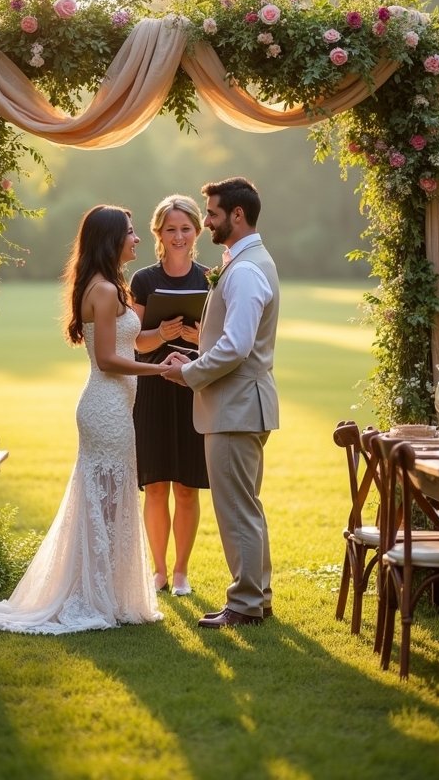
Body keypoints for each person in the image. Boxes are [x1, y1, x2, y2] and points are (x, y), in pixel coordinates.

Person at [0, 205, 171, 634]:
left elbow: (128, 343)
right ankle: (93, 596)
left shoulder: (109, 287)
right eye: (130, 232)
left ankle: (105, 592)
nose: (137, 238)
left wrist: (161, 339)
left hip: (115, 406)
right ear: (111, 239)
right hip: (105, 408)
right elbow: (107, 359)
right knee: (105, 504)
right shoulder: (103, 290)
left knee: (110, 503)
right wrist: (159, 370)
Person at [164, 177, 279, 628]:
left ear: (237, 215)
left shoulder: (246, 270)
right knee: (246, 506)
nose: (207, 221)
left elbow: (236, 346)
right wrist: (193, 358)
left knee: (236, 510)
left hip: (235, 407)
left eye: (212, 214)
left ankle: (246, 603)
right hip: (241, 404)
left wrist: (189, 373)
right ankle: (258, 597)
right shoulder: (247, 262)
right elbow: (231, 343)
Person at [130, 194, 209, 597]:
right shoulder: (143, 281)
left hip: (193, 389)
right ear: (158, 233)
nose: (179, 236)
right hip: (153, 389)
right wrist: (161, 334)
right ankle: (158, 571)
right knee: (157, 485)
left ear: (197, 231)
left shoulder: (212, 279)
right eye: (171, 229)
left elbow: (223, 346)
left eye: (186, 228)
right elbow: (134, 343)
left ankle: (181, 572)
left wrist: (198, 340)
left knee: (187, 487)